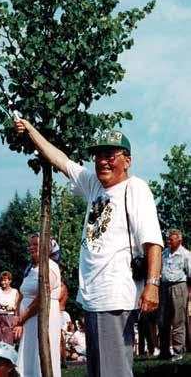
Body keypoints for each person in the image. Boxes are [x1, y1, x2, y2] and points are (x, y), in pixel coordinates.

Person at [14, 119, 163, 377]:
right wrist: (30, 131)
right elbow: (60, 160)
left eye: (110, 156)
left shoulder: (135, 189)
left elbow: (153, 242)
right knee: (97, 371)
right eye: (98, 156)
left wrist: (152, 284)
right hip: (92, 297)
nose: (102, 162)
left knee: (113, 371)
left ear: (127, 160)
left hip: (114, 296)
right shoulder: (93, 185)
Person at [13, 233, 61, 377]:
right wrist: (18, 319)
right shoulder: (30, 269)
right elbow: (22, 294)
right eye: (31, 244)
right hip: (28, 320)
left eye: (36, 245)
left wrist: (22, 318)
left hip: (43, 317)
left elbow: (42, 298)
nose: (31, 248)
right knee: (28, 353)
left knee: (41, 353)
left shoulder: (50, 268)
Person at [158, 228, 191, 361]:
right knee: (163, 321)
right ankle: (164, 351)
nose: (168, 241)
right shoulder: (164, 254)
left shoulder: (186, 254)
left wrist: (188, 292)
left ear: (179, 240)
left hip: (179, 287)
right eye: (167, 239)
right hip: (164, 287)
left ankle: (178, 351)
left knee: (178, 320)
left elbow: (190, 274)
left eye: (171, 239)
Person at [0, 271, 20, 346]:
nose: (3, 282)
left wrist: (12, 308)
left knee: (7, 342)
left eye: (5, 280)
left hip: (9, 317)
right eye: (1, 280)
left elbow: (17, 307)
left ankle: (5, 357)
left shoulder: (15, 292)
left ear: (10, 280)